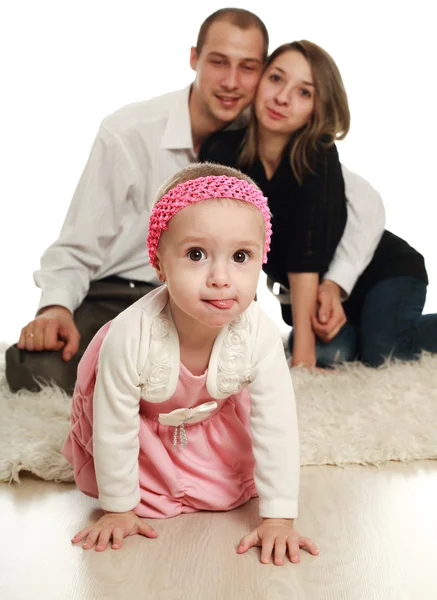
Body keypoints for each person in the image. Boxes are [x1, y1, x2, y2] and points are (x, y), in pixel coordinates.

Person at [6, 8, 384, 394]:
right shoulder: (129, 132)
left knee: (229, 382)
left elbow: (365, 202)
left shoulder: (264, 133)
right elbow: (78, 241)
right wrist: (55, 307)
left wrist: (336, 284)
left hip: (209, 301)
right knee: (41, 371)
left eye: (248, 67)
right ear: (194, 58)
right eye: (219, 62)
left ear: (261, 73)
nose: (232, 82)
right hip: (118, 294)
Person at [62, 163, 319, 565]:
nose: (221, 277)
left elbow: (277, 424)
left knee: (238, 474)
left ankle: (202, 464)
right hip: (141, 428)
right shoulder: (131, 336)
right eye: (196, 254)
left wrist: (279, 520)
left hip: (209, 417)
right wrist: (118, 509)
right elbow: (114, 426)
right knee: (127, 469)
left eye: (241, 256)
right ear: (160, 264)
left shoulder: (258, 333)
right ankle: (148, 482)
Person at [199, 40, 436, 368]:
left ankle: (377, 332)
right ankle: (360, 331)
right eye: (276, 79)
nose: (282, 98)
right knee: (333, 355)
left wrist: (303, 362)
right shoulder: (223, 152)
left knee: (384, 350)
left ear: (317, 108)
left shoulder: (317, 154)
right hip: (315, 299)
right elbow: (228, 247)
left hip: (385, 273)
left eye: (304, 92)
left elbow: (303, 255)